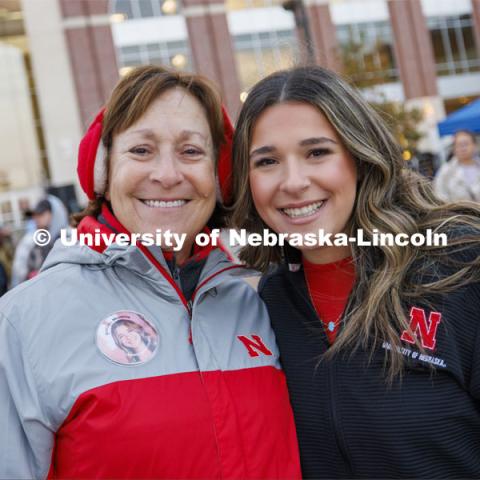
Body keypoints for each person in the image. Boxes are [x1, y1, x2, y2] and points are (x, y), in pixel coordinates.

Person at [0, 66, 300, 478]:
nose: (167, 174)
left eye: (191, 151)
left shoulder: (257, 303)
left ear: (219, 175)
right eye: (141, 151)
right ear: (104, 171)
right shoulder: (23, 320)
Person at [231, 66, 480, 478]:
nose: (293, 182)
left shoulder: (460, 266)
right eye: (268, 161)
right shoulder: (269, 301)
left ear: (360, 157)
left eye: (317, 152)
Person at [11, 195, 69, 286]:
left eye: (41, 214)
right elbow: (19, 273)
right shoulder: (30, 242)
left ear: (54, 214)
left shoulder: (69, 238)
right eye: (34, 215)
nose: (36, 219)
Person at [434, 129, 480, 202]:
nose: (463, 148)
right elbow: (440, 196)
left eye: (466, 144)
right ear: (454, 148)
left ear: (474, 145)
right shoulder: (446, 171)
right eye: (459, 145)